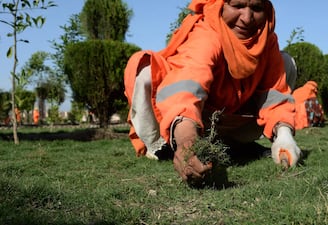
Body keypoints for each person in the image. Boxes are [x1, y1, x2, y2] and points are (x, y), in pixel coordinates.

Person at [124, 0, 301, 183]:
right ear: (220, 5)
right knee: (144, 70)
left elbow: (276, 94)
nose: (247, 18)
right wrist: (186, 143)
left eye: (256, 8)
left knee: (286, 62)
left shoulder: (266, 40)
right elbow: (185, 90)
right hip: (192, 120)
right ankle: (163, 148)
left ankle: (237, 145)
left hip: (232, 119)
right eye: (238, 6)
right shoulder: (206, 35)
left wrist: (284, 136)